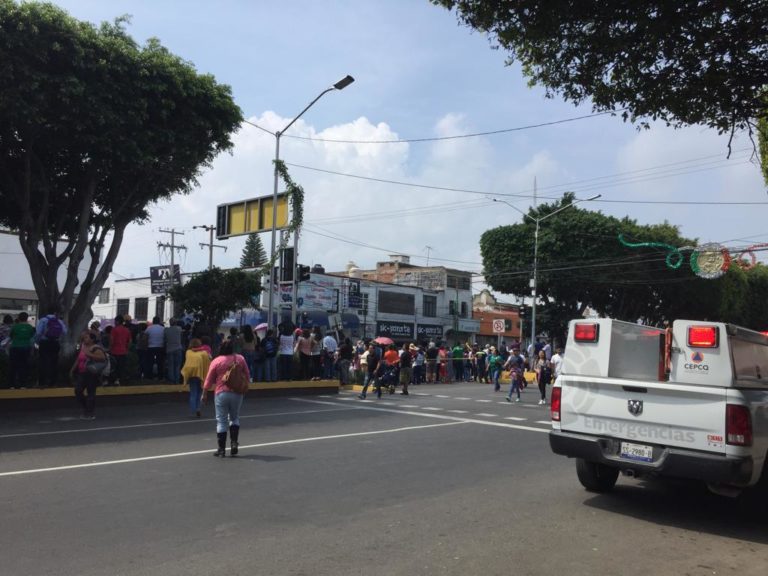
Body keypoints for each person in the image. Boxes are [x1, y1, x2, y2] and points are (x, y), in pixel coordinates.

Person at [202, 340, 250, 457]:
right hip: (237, 392)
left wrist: (204, 393)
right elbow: (247, 374)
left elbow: (209, 379)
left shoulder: (217, 361)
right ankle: (234, 443)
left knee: (221, 420)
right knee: (234, 418)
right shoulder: (240, 359)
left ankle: (221, 449)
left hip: (221, 393)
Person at [70, 331, 107, 420]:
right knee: (78, 390)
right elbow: (78, 359)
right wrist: (72, 370)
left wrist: (89, 354)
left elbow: (102, 358)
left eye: (87, 337)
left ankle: (90, 412)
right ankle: (86, 407)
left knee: (91, 393)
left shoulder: (95, 348)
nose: (84, 339)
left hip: (91, 373)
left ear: (92, 339)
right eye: (84, 337)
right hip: (81, 373)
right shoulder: (83, 346)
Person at [35, 309, 67, 388]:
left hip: (44, 343)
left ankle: (42, 382)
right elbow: (65, 332)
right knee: (54, 362)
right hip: (55, 343)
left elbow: (38, 333)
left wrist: (37, 341)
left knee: (43, 362)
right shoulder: (59, 321)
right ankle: (53, 382)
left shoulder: (43, 320)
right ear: (55, 312)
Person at [181, 338, 211, 418]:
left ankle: (192, 410)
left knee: (193, 393)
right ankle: (198, 408)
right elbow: (208, 362)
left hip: (191, 374)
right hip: (201, 374)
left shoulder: (188, 352)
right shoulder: (204, 353)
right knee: (200, 392)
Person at [8, 312, 35, 389]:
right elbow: (32, 337)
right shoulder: (30, 327)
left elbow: (10, 336)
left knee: (13, 366)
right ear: (27, 318)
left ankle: (12, 385)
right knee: (24, 366)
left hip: (15, 347)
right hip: (26, 347)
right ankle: (23, 384)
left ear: (19, 318)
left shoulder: (15, 327)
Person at [108, 315, 132, 386]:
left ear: (117, 321)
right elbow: (130, 341)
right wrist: (127, 349)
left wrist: (109, 348)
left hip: (114, 351)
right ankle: (121, 380)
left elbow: (111, 340)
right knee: (121, 367)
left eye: (115, 321)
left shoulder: (114, 329)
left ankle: (115, 380)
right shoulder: (127, 330)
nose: (114, 322)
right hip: (123, 352)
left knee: (114, 367)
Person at [165, 318, 183, 383]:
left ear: (170, 323)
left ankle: (171, 379)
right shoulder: (179, 328)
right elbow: (181, 337)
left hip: (169, 349)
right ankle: (177, 379)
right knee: (177, 365)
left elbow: (165, 339)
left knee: (170, 365)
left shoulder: (166, 330)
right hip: (178, 348)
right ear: (176, 322)